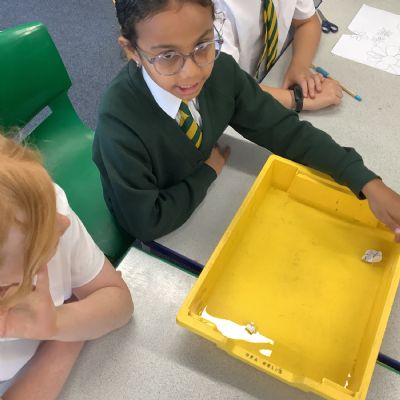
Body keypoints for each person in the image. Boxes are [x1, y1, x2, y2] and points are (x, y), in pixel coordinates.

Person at [93, 0, 400, 244]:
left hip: (204, 205)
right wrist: (206, 173)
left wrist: (364, 181)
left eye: (203, 46)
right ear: (132, 51)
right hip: (156, 235)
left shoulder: (222, 72)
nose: (192, 73)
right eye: (168, 56)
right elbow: (146, 222)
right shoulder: (120, 123)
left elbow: (287, 132)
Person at [0, 134, 134, 400]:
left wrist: (56, 325)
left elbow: (119, 301)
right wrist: (70, 334)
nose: (63, 223)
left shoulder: (38, 205)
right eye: (37, 244)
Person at [213, 0, 343, 111]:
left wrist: (299, 66)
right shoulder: (214, 8)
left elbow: (307, 22)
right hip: (236, 102)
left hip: (269, 78)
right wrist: (296, 99)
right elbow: (227, 85)